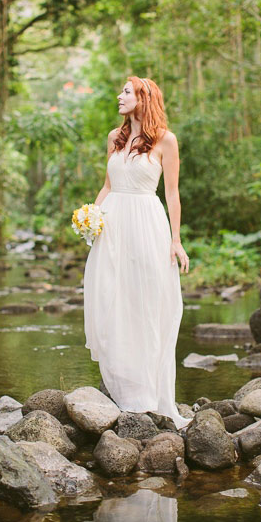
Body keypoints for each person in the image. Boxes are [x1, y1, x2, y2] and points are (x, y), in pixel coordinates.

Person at [83, 75, 191, 430]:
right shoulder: (114, 139)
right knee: (113, 298)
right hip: (113, 227)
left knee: (148, 303)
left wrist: (176, 240)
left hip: (147, 226)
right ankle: (124, 385)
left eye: (126, 92)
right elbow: (108, 185)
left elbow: (172, 195)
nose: (119, 96)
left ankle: (151, 392)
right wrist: (90, 217)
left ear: (144, 98)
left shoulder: (165, 141)